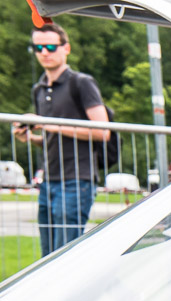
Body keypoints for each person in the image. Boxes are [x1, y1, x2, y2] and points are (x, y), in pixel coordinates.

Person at [13, 23, 110, 256]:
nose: (44, 52)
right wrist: (31, 137)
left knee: (65, 257)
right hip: (49, 181)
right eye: (38, 47)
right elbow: (52, 137)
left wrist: (44, 123)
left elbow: (103, 131)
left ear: (66, 48)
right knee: (48, 258)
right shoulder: (39, 89)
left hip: (76, 180)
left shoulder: (81, 82)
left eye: (50, 46)